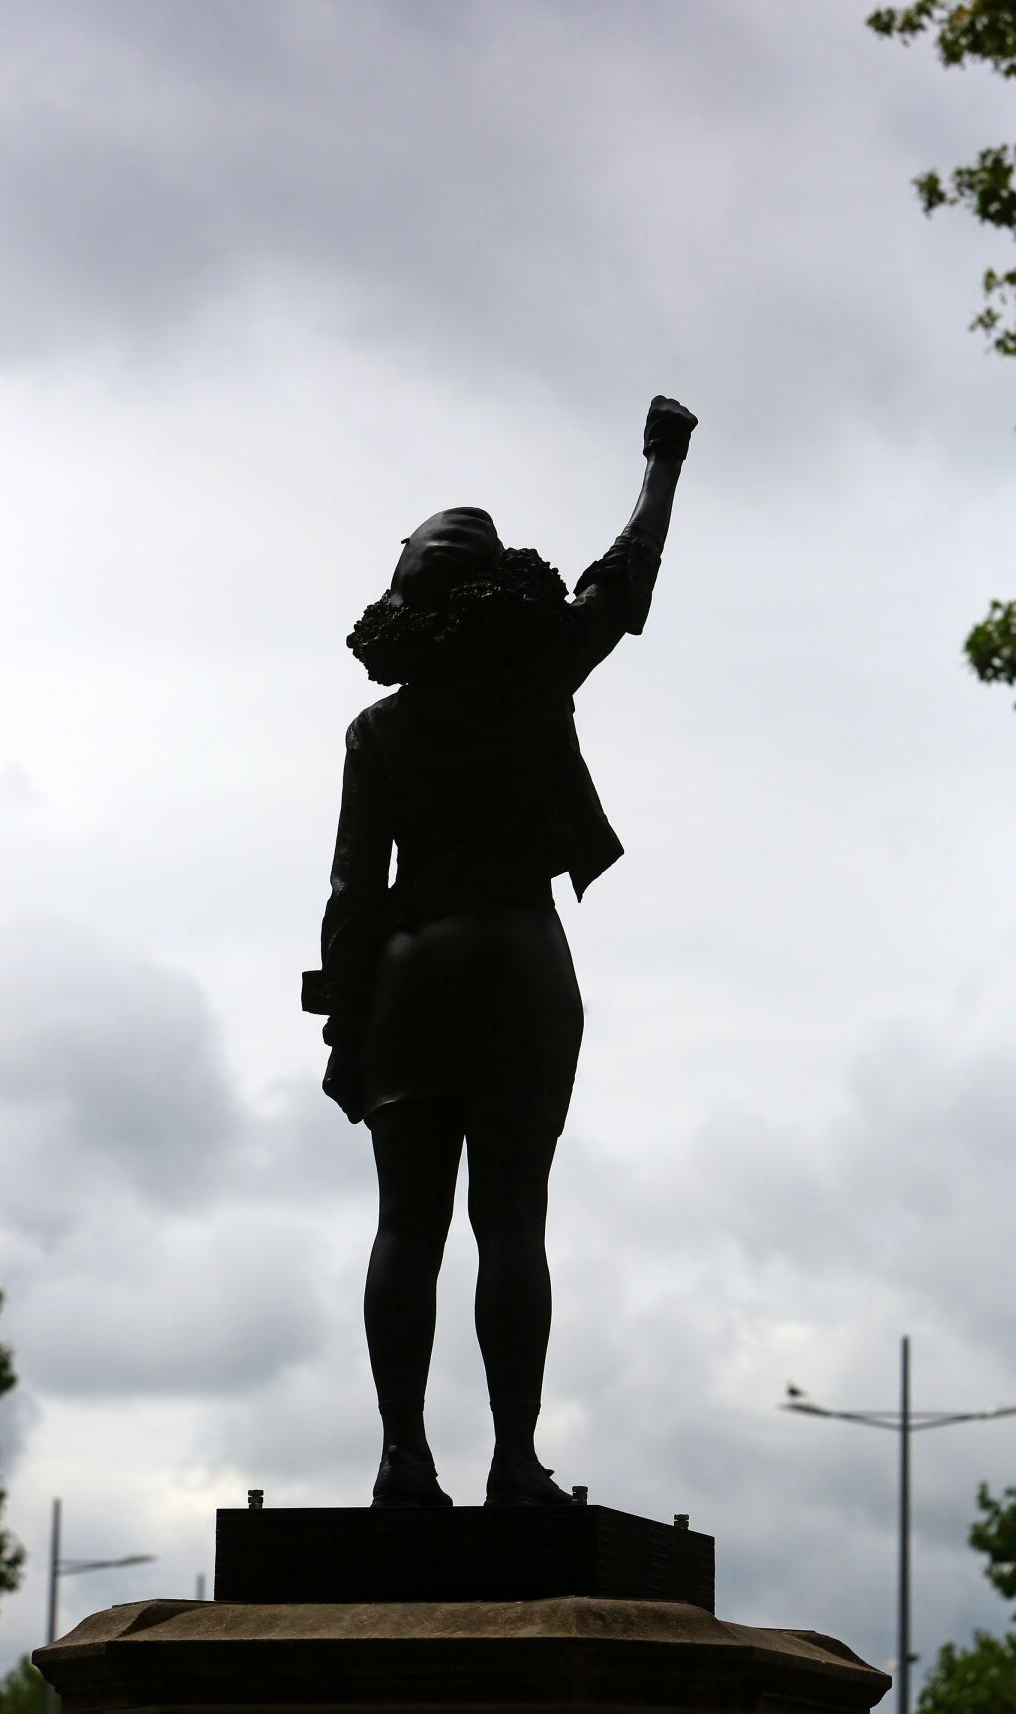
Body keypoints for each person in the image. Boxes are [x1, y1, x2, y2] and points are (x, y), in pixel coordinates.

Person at [302, 395, 698, 1506]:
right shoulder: (539, 676)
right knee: (511, 1222)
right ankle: (514, 1460)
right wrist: (664, 464)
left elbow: (349, 893)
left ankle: (401, 1458)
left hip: (412, 979)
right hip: (521, 959)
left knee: (405, 1228)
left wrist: (345, 1023)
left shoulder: (377, 732)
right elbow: (622, 579)